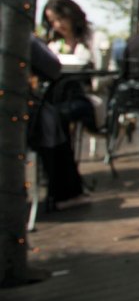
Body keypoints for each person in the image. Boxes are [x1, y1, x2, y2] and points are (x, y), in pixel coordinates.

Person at [28, 35, 90, 210]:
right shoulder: (18, 35)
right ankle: (66, 193)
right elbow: (53, 68)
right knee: (51, 120)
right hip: (16, 121)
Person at [41, 0, 110, 134]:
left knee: (56, 115)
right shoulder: (53, 43)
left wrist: (93, 81)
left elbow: (108, 72)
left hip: (87, 96)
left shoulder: (95, 38)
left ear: (72, 15)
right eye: (53, 21)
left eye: (61, 18)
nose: (58, 25)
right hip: (57, 96)